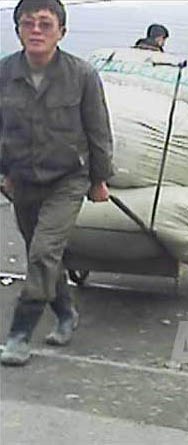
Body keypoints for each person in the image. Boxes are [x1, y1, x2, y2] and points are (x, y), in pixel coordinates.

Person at [0, 0, 113, 366]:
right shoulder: (4, 73)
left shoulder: (81, 75)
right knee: (44, 252)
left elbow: (98, 129)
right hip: (22, 178)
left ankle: (20, 333)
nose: (36, 30)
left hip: (68, 178)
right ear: (17, 29)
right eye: (28, 23)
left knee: (43, 252)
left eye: (45, 24)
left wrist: (99, 179)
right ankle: (66, 312)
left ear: (61, 32)